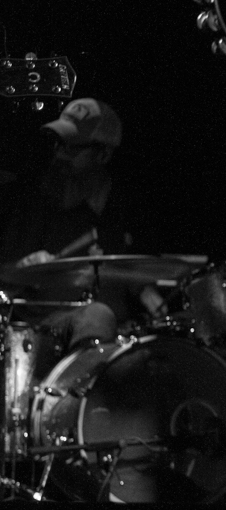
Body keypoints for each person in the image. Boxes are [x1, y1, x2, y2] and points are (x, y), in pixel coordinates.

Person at [0, 97, 134, 350]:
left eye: (72, 148)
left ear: (103, 154)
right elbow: (6, 278)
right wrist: (23, 268)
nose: (59, 154)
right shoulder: (29, 199)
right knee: (97, 315)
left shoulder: (124, 208)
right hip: (39, 333)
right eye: (58, 144)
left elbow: (143, 278)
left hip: (115, 333)